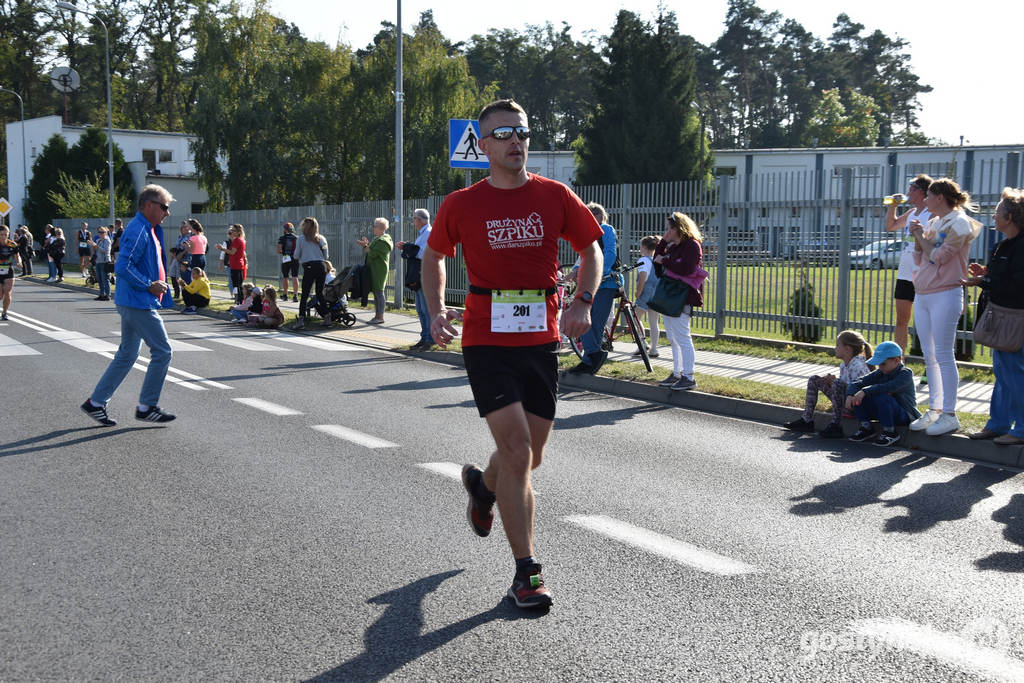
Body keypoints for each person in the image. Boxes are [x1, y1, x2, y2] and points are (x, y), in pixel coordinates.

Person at [422, 99, 602, 609]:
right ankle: (527, 572)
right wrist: (436, 310)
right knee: (519, 448)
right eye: (503, 134)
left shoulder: (553, 195)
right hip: (486, 338)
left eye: (521, 132)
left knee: (530, 456)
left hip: (540, 337)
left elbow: (592, 248)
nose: (515, 141)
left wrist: (584, 301)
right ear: (482, 146)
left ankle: (483, 488)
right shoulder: (461, 205)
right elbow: (435, 255)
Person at [80, 184, 177, 426]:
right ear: (149, 206)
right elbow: (123, 267)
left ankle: (96, 403)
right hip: (137, 301)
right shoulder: (138, 230)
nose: (167, 213)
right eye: (164, 207)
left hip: (135, 300)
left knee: (127, 354)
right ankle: (147, 406)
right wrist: (149, 285)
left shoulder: (147, 228)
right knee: (163, 351)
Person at [907, 177, 981, 437]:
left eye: (928, 195)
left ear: (940, 197)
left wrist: (919, 236)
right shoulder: (934, 222)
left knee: (943, 353)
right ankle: (935, 408)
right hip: (924, 292)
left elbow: (938, 257)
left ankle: (950, 413)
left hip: (946, 293)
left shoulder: (960, 223)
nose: (924, 200)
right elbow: (920, 256)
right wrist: (918, 238)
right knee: (929, 354)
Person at [963, 187, 1024, 445]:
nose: (994, 216)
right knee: (1002, 372)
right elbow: (1001, 277)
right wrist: (986, 274)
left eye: (998, 212)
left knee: (1014, 373)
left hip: (1015, 318)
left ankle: (1020, 429)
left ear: (1010, 217)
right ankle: (997, 424)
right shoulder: (1002, 245)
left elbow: (1017, 285)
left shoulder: (1021, 247)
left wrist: (983, 280)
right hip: (1001, 315)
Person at [783, 329, 873, 438]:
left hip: (856, 407)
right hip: (845, 403)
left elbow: (859, 391)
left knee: (837, 383)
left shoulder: (858, 365)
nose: (835, 348)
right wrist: (830, 382)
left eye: (837, 345)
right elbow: (843, 388)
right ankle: (807, 420)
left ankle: (836, 425)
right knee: (814, 379)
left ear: (848, 348)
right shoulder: (844, 365)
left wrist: (835, 382)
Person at [654, 212, 705, 391]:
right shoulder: (674, 247)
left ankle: (689, 376)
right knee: (672, 338)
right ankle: (677, 373)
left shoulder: (692, 245)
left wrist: (665, 261)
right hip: (669, 296)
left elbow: (687, 268)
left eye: (669, 229)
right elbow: (657, 264)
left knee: (683, 337)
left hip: (682, 297)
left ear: (678, 228)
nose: (666, 232)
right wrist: (662, 243)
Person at [569, 202, 622, 374]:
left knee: (595, 323)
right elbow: (584, 257)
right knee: (586, 321)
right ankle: (591, 357)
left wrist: (596, 273)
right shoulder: (590, 234)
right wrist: (576, 271)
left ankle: (589, 359)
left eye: (590, 214)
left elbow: (610, 254)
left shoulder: (605, 229)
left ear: (599, 216)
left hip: (605, 283)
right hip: (593, 282)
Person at [884, 174, 933, 353]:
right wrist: (892, 207)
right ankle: (899, 362)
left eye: (911, 189)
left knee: (926, 323)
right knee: (901, 322)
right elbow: (891, 226)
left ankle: (930, 364)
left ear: (921, 192)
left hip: (923, 273)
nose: (907, 193)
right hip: (905, 274)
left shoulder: (932, 213)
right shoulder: (912, 212)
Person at [845, 341, 922, 446]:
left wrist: (864, 391)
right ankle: (866, 428)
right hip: (884, 412)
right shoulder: (880, 372)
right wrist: (850, 394)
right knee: (858, 396)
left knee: (881, 396)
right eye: (878, 364)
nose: (880, 367)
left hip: (904, 414)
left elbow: (888, 387)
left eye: (883, 363)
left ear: (897, 360)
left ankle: (890, 432)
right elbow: (858, 382)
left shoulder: (905, 373)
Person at [397, 208, 433, 349]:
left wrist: (408, 247)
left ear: (419, 220)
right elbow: (416, 251)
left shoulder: (428, 233)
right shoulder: (422, 234)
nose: (413, 221)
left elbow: (422, 254)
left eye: (414, 219)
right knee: (420, 309)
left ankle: (429, 338)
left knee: (425, 308)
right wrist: (407, 248)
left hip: (425, 274)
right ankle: (424, 337)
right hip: (419, 275)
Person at [292, 216, 330, 330]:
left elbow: (296, 255)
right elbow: (326, 255)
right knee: (319, 293)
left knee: (305, 294)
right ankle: (327, 316)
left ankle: (301, 319)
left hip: (309, 267)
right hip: (321, 266)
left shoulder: (301, 239)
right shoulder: (321, 239)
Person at [357, 217, 392, 324]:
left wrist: (365, 246)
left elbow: (372, 253)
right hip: (374, 270)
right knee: (377, 293)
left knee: (379, 292)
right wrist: (367, 244)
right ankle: (377, 316)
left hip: (379, 271)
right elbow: (371, 250)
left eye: (374, 226)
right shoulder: (378, 238)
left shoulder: (383, 240)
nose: (373, 228)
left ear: (380, 228)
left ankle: (380, 317)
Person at [633, 235, 661, 358]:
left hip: (645, 293)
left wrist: (638, 291)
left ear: (644, 247)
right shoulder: (657, 260)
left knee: (635, 318)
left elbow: (643, 276)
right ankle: (654, 349)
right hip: (656, 293)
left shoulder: (643, 260)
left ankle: (643, 343)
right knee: (654, 322)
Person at [216, 224, 247, 304]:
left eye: (233, 230)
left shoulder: (237, 240)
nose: (231, 232)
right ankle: (239, 301)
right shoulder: (239, 240)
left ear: (238, 232)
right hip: (237, 264)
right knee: (237, 285)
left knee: (236, 285)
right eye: (231, 230)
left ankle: (238, 302)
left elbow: (232, 252)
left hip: (236, 265)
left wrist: (222, 248)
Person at [0, 225, 23, 320]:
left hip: (8, 270)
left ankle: (4, 313)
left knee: (7, 292)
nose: (4, 236)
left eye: (6, 234)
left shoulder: (12, 244)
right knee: (0, 295)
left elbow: (18, 256)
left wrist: (19, 262)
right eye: (1, 234)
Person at [277, 222, 300, 302]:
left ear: (285, 229)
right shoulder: (297, 238)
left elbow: (278, 250)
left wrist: (284, 252)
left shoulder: (282, 238)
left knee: (285, 276)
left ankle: (285, 295)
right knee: (295, 276)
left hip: (286, 258)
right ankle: (295, 296)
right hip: (295, 259)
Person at [92, 226, 113, 301]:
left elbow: (106, 251)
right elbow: (96, 250)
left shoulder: (107, 240)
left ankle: (108, 295)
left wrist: (96, 246)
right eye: (99, 232)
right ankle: (101, 294)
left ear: (106, 233)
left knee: (105, 279)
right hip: (98, 261)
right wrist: (93, 246)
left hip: (105, 262)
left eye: (102, 232)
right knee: (99, 278)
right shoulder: (98, 240)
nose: (100, 234)